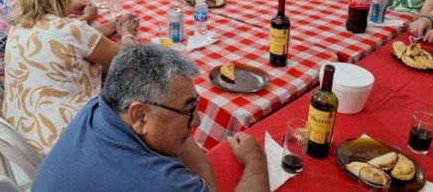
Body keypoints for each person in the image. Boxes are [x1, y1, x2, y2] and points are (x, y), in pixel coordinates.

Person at [31, 44, 270, 192]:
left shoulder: (102, 106)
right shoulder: (160, 182)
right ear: (140, 116)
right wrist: (255, 161)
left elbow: (186, 147)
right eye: (188, 110)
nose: (197, 121)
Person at [3, 0, 139, 156]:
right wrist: (126, 35)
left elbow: (79, 41)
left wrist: (114, 26)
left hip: (20, 138)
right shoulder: (71, 31)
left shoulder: (19, 24)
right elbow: (129, 59)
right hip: (67, 143)